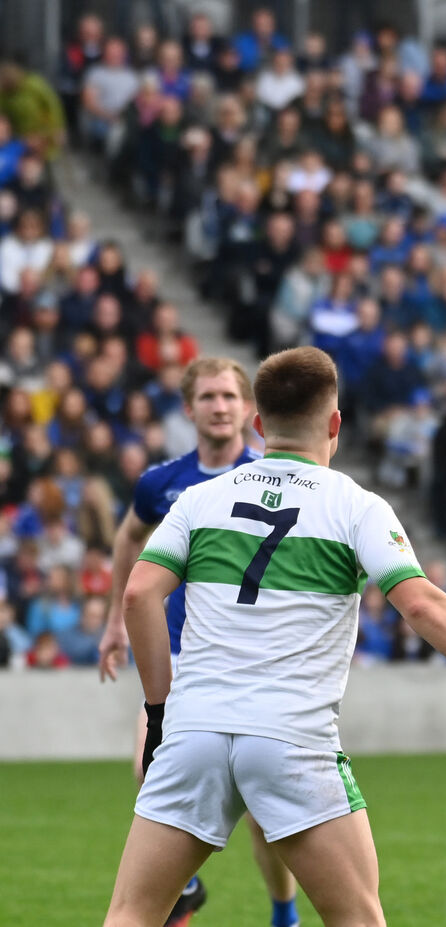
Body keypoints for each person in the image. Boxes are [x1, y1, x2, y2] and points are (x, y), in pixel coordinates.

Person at [103, 346, 446, 927]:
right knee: (358, 918)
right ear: (335, 426)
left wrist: (157, 711)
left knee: (132, 914)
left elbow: (137, 596)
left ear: (258, 424)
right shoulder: (355, 506)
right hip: (289, 740)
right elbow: (423, 604)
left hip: (193, 730)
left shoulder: (199, 501)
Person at [97, 357, 300, 927]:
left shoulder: (272, 477)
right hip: (182, 651)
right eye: (208, 397)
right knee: (148, 764)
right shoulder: (162, 483)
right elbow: (127, 541)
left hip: (249, 657)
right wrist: (116, 621)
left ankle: (283, 910)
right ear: (189, 409)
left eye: (230, 397)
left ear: (248, 410)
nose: (219, 406)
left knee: (267, 811)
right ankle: (182, 886)